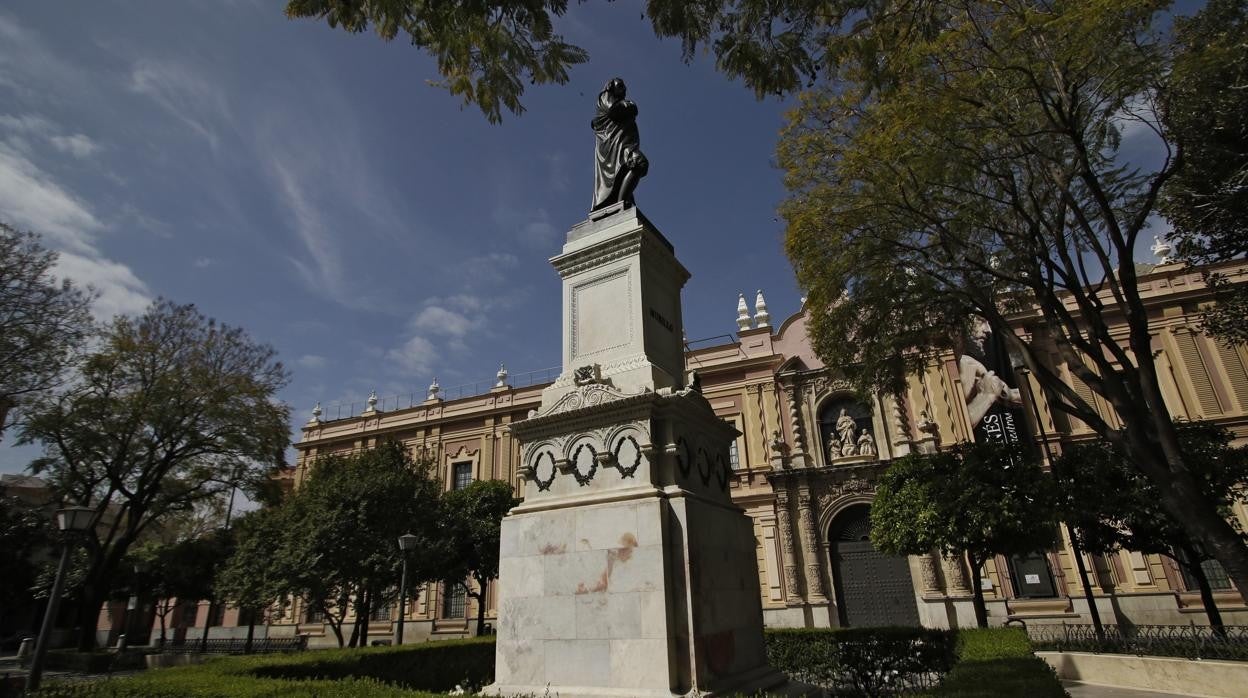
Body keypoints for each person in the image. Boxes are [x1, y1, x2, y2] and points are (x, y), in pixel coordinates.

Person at [591, 78, 648, 211]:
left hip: (622, 146)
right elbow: (614, 111)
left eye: (624, 87)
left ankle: (622, 202)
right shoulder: (605, 97)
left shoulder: (618, 101)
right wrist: (629, 105)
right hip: (614, 148)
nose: (624, 89)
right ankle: (622, 203)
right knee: (639, 162)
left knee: (636, 165)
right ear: (610, 87)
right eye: (620, 86)